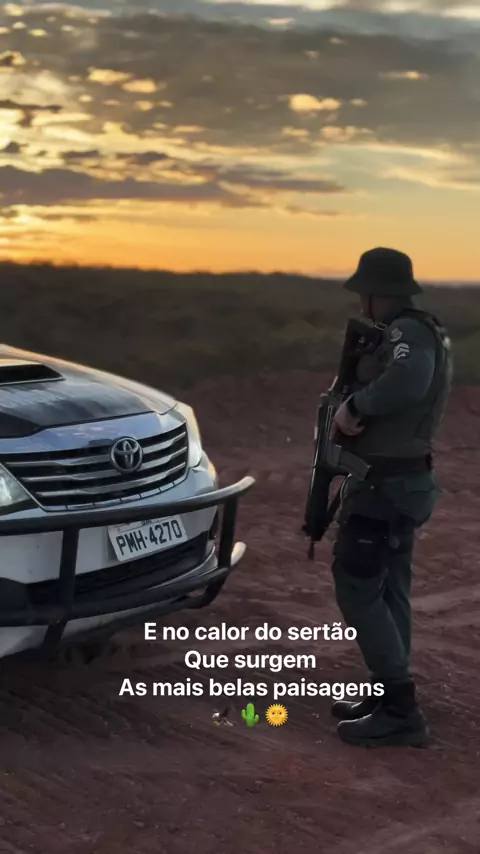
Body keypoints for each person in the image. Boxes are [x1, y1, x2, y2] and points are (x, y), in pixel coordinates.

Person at [330, 247, 452, 748]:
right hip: (398, 481)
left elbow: (409, 380)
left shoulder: (407, 332)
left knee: (357, 585)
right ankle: (388, 694)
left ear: (376, 292)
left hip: (387, 486)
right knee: (390, 587)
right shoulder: (416, 328)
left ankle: (401, 710)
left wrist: (356, 405)